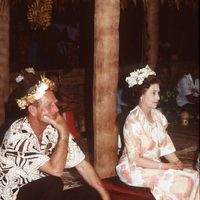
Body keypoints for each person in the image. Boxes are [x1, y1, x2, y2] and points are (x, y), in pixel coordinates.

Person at [0, 75, 110, 200]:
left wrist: (105, 195)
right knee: (54, 182)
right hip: (15, 193)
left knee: (91, 193)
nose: (56, 109)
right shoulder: (17, 136)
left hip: (42, 191)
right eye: (49, 105)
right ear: (32, 110)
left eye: (55, 104)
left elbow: (82, 164)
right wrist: (64, 133)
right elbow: (56, 171)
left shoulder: (52, 129)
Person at [116, 65, 199, 200]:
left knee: (196, 176)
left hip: (153, 164)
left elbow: (165, 146)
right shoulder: (132, 121)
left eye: (158, 92)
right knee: (183, 183)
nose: (158, 97)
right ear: (141, 96)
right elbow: (135, 159)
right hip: (133, 169)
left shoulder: (158, 116)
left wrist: (177, 162)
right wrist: (165, 166)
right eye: (153, 93)